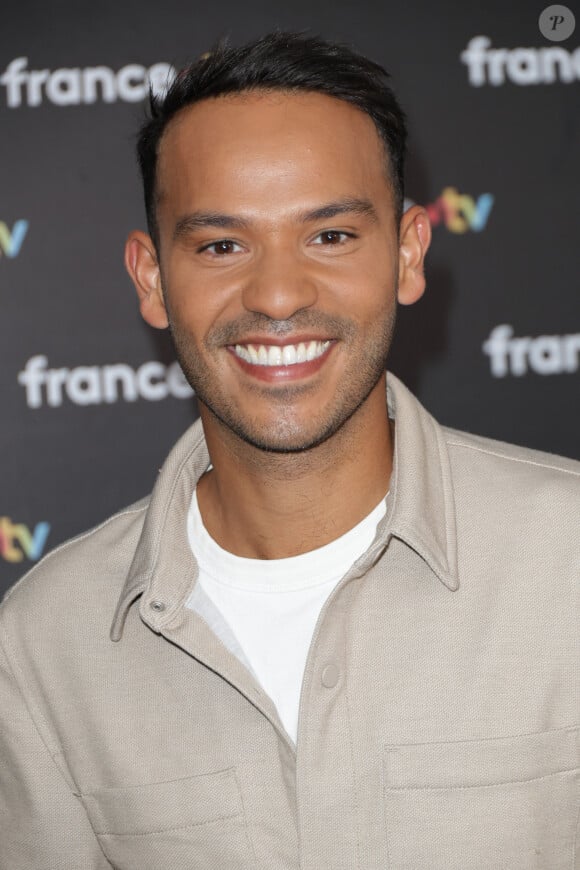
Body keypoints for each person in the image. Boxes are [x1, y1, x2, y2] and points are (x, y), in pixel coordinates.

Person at [0, 31, 578, 870]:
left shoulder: (566, 563)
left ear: (409, 253)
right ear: (152, 279)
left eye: (331, 236)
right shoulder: (46, 645)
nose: (277, 295)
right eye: (221, 245)